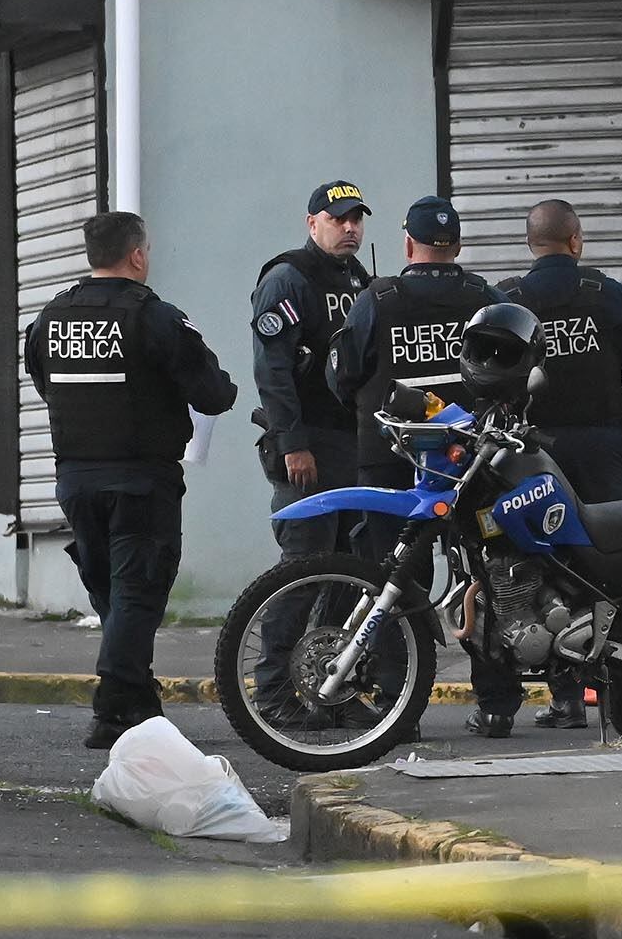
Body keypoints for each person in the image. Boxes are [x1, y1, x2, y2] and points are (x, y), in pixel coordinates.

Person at [23, 210, 238, 750]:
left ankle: (139, 702)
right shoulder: (156, 318)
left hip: (76, 478)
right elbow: (213, 394)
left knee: (115, 595)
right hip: (141, 479)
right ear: (137, 255)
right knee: (138, 593)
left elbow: (46, 383)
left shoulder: (51, 317)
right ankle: (113, 705)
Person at [327, 194, 506, 737]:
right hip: (471, 462)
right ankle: (496, 703)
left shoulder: (377, 298)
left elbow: (341, 374)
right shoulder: (483, 298)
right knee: (487, 576)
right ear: (458, 245)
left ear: (408, 244)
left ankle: (395, 706)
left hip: (391, 461)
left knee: (393, 578)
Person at [498, 197, 622, 729]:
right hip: (604, 449)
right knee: (617, 567)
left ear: (531, 244)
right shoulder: (610, 295)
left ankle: (566, 699)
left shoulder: (508, 301)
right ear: (576, 240)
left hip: (532, 456)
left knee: (543, 572)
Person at [246, 181, 375, 727]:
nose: (350, 228)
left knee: (349, 574)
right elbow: (272, 371)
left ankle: (332, 689)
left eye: (356, 219)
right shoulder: (289, 278)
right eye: (338, 218)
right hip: (309, 447)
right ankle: (273, 692)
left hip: (353, 445)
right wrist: (293, 443)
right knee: (301, 574)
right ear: (312, 222)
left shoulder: (359, 279)